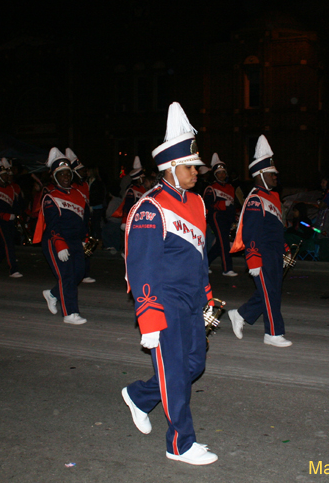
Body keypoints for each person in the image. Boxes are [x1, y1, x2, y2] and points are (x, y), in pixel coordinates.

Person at [120, 102, 217, 466]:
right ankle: (180, 444)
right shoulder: (149, 208)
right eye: (191, 167)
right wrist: (149, 319)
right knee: (175, 372)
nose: (197, 172)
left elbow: (199, 255)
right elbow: (140, 266)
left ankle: (139, 395)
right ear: (173, 168)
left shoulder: (197, 203)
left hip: (192, 300)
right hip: (164, 302)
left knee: (194, 365)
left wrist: (206, 296)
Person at [227, 135, 292, 346]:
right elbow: (251, 233)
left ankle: (240, 315)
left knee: (270, 291)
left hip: (273, 253)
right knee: (271, 293)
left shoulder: (273, 198)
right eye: (272, 174)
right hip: (261, 253)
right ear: (261, 174)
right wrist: (253, 258)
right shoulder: (255, 199)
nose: (276, 177)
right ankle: (273, 333)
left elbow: (276, 229)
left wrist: (284, 249)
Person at [33, 148, 89, 325]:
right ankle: (70, 313)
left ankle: (52, 294)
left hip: (74, 241)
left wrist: (84, 239)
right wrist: (59, 244)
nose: (66, 176)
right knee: (66, 277)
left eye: (68, 173)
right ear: (55, 177)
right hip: (55, 240)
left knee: (78, 273)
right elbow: (52, 225)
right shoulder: (51, 197)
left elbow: (84, 220)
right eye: (61, 173)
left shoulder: (79, 195)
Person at [0, 157, 23, 278]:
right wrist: (5, 216)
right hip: (1, 221)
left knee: (6, 244)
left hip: (11, 220)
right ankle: (13, 269)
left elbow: (16, 204)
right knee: (8, 244)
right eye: (4, 175)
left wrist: (17, 215)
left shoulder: (11, 189)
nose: (7, 177)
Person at [203, 153, 238, 277]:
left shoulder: (230, 187)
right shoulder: (210, 188)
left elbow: (233, 204)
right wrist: (223, 204)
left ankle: (204, 264)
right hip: (216, 217)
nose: (222, 175)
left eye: (223, 172)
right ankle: (227, 268)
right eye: (219, 173)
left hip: (227, 217)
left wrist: (234, 218)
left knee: (220, 243)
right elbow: (208, 205)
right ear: (215, 175)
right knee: (223, 241)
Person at [66, 148, 96, 284]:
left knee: (85, 246)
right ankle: (73, 272)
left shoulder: (84, 184)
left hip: (84, 219)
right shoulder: (70, 186)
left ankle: (84, 273)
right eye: (81, 170)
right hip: (75, 220)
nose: (84, 172)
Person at [112, 157, 150, 231]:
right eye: (142, 177)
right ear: (138, 178)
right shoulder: (131, 190)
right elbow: (127, 207)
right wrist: (125, 221)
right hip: (134, 219)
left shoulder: (142, 188)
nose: (144, 178)